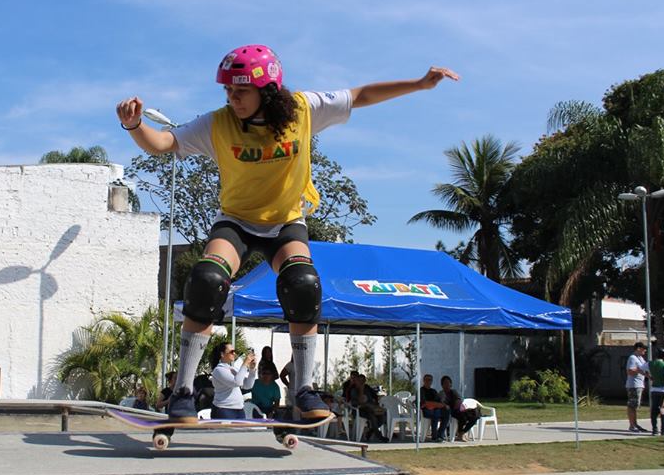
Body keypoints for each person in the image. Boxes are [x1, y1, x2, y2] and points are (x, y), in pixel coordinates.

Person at [117, 45, 458, 424]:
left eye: (241, 91)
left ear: (267, 90)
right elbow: (164, 143)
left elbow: (360, 95)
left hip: (285, 222)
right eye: (228, 91)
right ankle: (181, 391)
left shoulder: (302, 109)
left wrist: (420, 84)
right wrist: (134, 126)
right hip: (235, 221)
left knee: (303, 284)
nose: (233, 99)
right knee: (206, 279)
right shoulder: (218, 124)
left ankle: (303, 389)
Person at [209, 342, 257, 419]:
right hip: (224, 409)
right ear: (222, 354)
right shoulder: (218, 370)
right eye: (231, 352)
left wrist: (252, 369)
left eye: (234, 351)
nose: (234, 354)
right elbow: (236, 382)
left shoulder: (232, 369)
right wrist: (245, 364)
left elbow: (248, 385)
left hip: (239, 410)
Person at [348, 372, 384, 442]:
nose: (362, 383)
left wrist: (375, 403)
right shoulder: (354, 390)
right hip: (359, 410)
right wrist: (361, 390)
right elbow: (357, 402)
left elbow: (375, 396)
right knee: (372, 417)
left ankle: (370, 431)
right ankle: (379, 436)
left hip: (371, 409)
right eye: (360, 381)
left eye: (363, 381)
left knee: (383, 416)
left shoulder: (367, 388)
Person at [440, 375, 477, 441]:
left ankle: (462, 432)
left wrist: (460, 405)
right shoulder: (441, 394)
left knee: (475, 416)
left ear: (451, 384)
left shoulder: (454, 392)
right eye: (445, 383)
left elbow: (459, 400)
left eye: (448, 383)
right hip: (450, 411)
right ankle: (460, 433)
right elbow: (443, 403)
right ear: (442, 385)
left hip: (459, 409)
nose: (447, 384)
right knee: (462, 417)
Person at [647, 348, 664, 436]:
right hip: (663, 390)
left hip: (654, 389)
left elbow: (641, 368)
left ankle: (654, 430)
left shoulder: (650, 363)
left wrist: (650, 377)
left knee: (654, 410)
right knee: (663, 409)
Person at [625, 341, 649, 433]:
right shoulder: (632, 358)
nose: (645, 351)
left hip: (639, 384)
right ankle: (632, 425)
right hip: (633, 385)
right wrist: (639, 371)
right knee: (632, 405)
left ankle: (635, 424)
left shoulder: (641, 358)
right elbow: (630, 371)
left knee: (636, 405)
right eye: (643, 349)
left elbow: (645, 368)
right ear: (638, 348)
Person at [419, 374, 448, 442]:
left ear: (432, 381)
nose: (428, 381)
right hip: (425, 411)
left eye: (430, 380)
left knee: (447, 412)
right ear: (423, 381)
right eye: (426, 379)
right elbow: (425, 403)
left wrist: (443, 405)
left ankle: (440, 435)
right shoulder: (421, 390)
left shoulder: (433, 391)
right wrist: (437, 405)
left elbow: (439, 402)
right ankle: (435, 436)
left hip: (435, 410)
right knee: (437, 412)